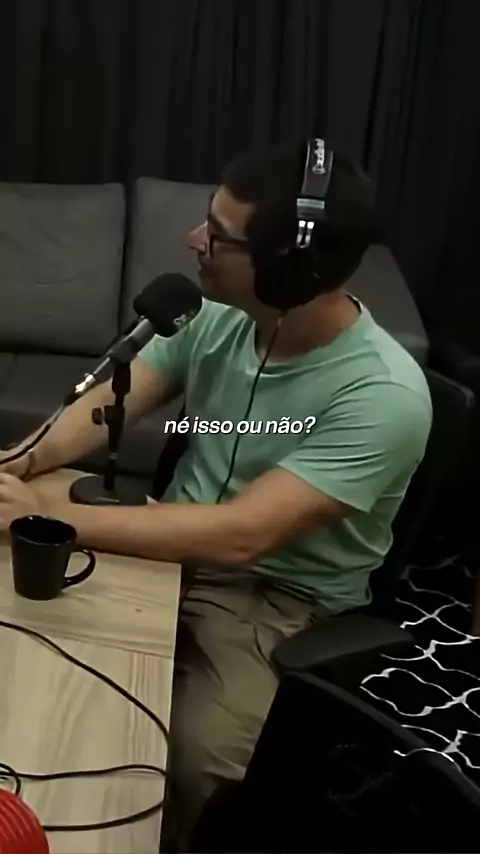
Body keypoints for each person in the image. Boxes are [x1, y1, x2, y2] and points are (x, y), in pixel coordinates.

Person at [0, 139, 432, 850]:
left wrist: (49, 513)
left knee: (203, 763)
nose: (193, 238)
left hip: (274, 598)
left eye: (219, 234)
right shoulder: (220, 314)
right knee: (32, 660)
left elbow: (241, 535)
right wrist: (26, 458)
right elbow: (114, 397)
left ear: (291, 267)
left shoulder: (384, 396)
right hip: (168, 543)